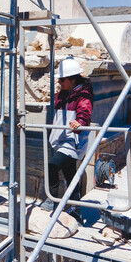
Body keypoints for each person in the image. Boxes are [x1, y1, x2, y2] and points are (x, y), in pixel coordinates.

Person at [44, 57, 94, 224]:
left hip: (72, 142)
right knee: (70, 175)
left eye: (63, 79)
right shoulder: (62, 94)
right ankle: (76, 210)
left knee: (52, 166)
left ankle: (52, 199)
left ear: (74, 79)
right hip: (61, 140)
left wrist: (79, 123)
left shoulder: (83, 95)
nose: (60, 82)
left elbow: (84, 114)